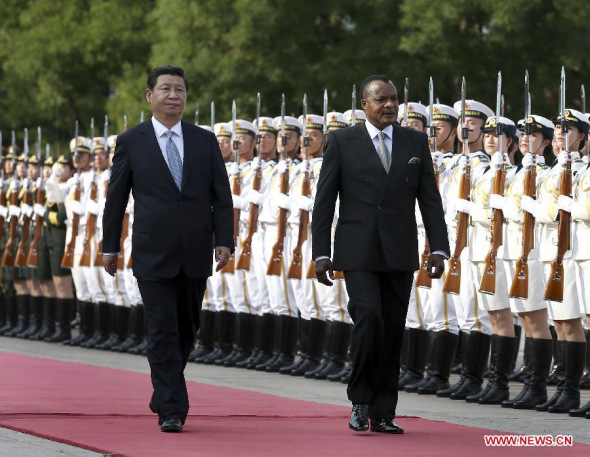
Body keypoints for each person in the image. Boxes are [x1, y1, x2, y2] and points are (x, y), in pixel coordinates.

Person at [312, 75, 449, 434]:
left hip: (399, 251)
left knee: (391, 331)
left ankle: (384, 410)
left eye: (394, 99)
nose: (389, 105)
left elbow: (429, 199)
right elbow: (324, 203)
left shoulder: (414, 141)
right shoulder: (342, 141)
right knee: (368, 317)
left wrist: (438, 247)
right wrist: (320, 253)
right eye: (381, 99)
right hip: (356, 251)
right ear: (364, 105)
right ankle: (360, 399)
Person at [102, 65, 234, 433]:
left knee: (187, 328)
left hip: (195, 249)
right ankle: (173, 408)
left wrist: (225, 239)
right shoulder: (132, 141)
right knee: (162, 329)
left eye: (180, 90)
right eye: (166, 89)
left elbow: (221, 196)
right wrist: (109, 246)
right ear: (150, 96)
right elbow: (116, 199)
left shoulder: (204, 140)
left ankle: (163, 391)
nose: (174, 95)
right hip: (152, 250)